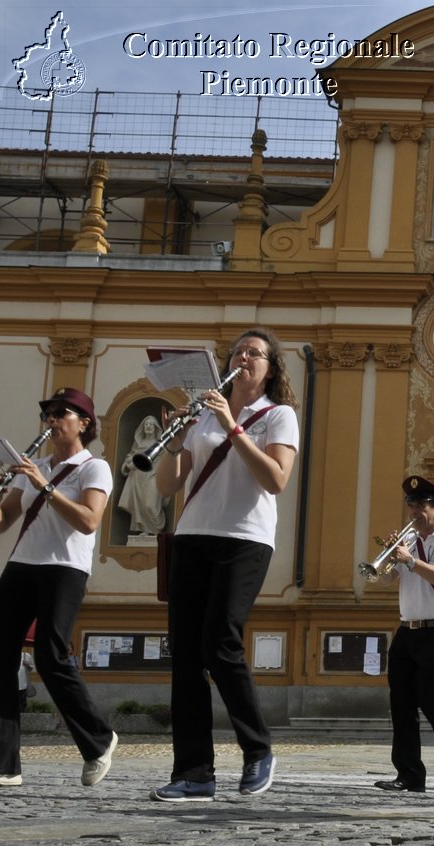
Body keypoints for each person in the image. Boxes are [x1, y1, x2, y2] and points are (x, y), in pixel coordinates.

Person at [152, 330, 298, 801]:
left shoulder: (279, 416)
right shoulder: (202, 416)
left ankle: (258, 751)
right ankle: (194, 772)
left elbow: (275, 480)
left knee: (221, 643)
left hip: (245, 538)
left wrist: (234, 427)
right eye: (238, 352)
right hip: (194, 535)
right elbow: (167, 487)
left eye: (254, 353)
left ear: (270, 368)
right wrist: (173, 443)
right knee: (187, 656)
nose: (244, 358)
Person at [0, 388, 116, 788]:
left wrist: (45, 486)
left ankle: (99, 741)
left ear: (84, 423)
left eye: (61, 413)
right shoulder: (37, 465)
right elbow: (2, 521)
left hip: (64, 569)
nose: (51, 419)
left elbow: (88, 521)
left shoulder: (93, 467)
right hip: (21, 564)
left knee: (50, 656)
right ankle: (3, 764)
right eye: (47, 412)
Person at [372, 475, 434, 793]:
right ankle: (409, 774)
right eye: (410, 505)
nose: (414, 512)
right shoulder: (409, 541)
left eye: (420, 506)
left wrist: (410, 560)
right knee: (400, 704)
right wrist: (389, 558)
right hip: (407, 629)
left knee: (433, 700)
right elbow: (384, 581)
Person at [117, 415, 167, 535]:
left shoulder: (160, 444)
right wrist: (128, 465)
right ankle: (145, 530)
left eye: (151, 424)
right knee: (139, 506)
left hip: (154, 476)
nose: (148, 426)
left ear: (156, 428)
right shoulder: (139, 443)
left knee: (150, 505)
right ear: (143, 428)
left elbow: (164, 461)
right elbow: (130, 458)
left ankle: (157, 529)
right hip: (138, 478)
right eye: (146, 424)